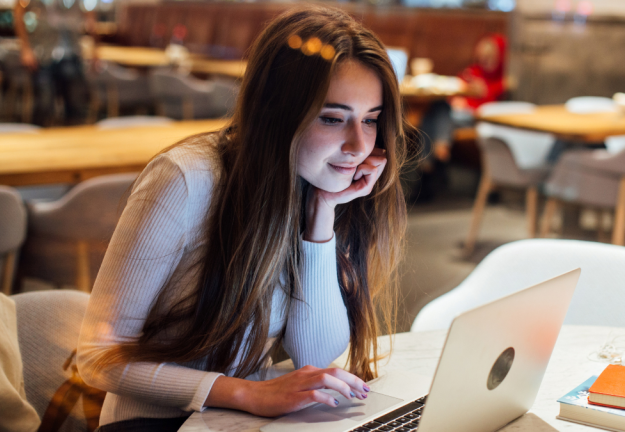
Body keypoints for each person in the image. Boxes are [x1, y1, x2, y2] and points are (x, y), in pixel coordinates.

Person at [76, 6, 412, 430]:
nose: (359, 146)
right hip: (153, 423)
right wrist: (246, 392)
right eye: (332, 118)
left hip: (237, 420)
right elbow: (95, 358)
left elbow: (314, 354)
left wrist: (322, 214)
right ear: (274, 112)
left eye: (370, 121)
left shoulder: (311, 182)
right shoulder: (187, 180)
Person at [412, 34, 507, 201]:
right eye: (483, 55)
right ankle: (440, 150)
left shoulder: (501, 79)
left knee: (437, 113)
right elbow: (457, 86)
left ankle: (427, 168)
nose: (485, 59)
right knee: (438, 110)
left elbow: (490, 102)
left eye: (490, 56)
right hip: (456, 115)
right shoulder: (473, 71)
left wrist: (474, 99)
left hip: (476, 119)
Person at [13, 0, 97, 126]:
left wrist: (95, 49)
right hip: (43, 54)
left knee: (77, 104)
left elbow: (90, 16)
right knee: (44, 103)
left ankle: (75, 141)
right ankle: (40, 139)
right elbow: (19, 11)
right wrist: (25, 48)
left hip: (72, 54)